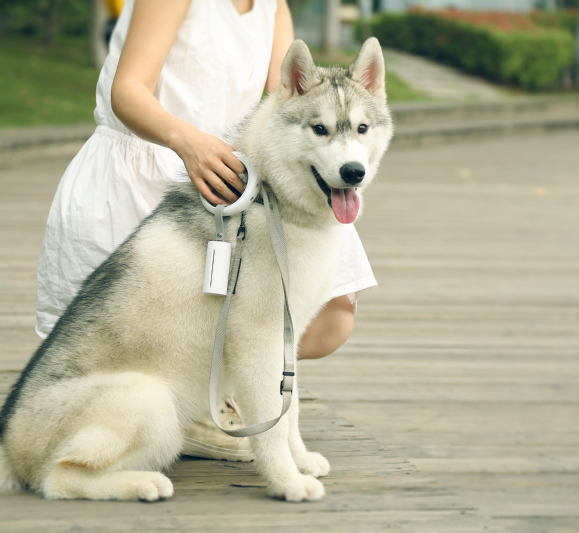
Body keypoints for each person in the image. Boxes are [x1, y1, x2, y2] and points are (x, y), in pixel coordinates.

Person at [35, 0, 377, 459]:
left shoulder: (272, 6)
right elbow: (128, 90)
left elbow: (289, 100)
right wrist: (188, 144)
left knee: (333, 316)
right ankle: (188, 407)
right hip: (159, 156)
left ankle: (210, 394)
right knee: (180, 321)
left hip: (231, 167)